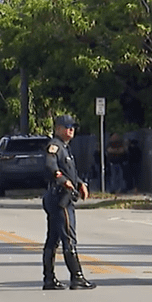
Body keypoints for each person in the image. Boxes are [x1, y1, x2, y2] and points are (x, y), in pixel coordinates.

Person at [41, 114, 95, 291]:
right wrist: (62, 180)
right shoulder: (55, 146)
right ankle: (77, 277)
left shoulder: (65, 148)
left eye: (72, 126)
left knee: (53, 239)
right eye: (67, 126)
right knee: (68, 237)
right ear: (58, 129)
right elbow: (51, 166)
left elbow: (69, 172)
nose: (71, 129)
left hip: (62, 196)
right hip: (60, 198)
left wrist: (79, 184)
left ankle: (49, 279)